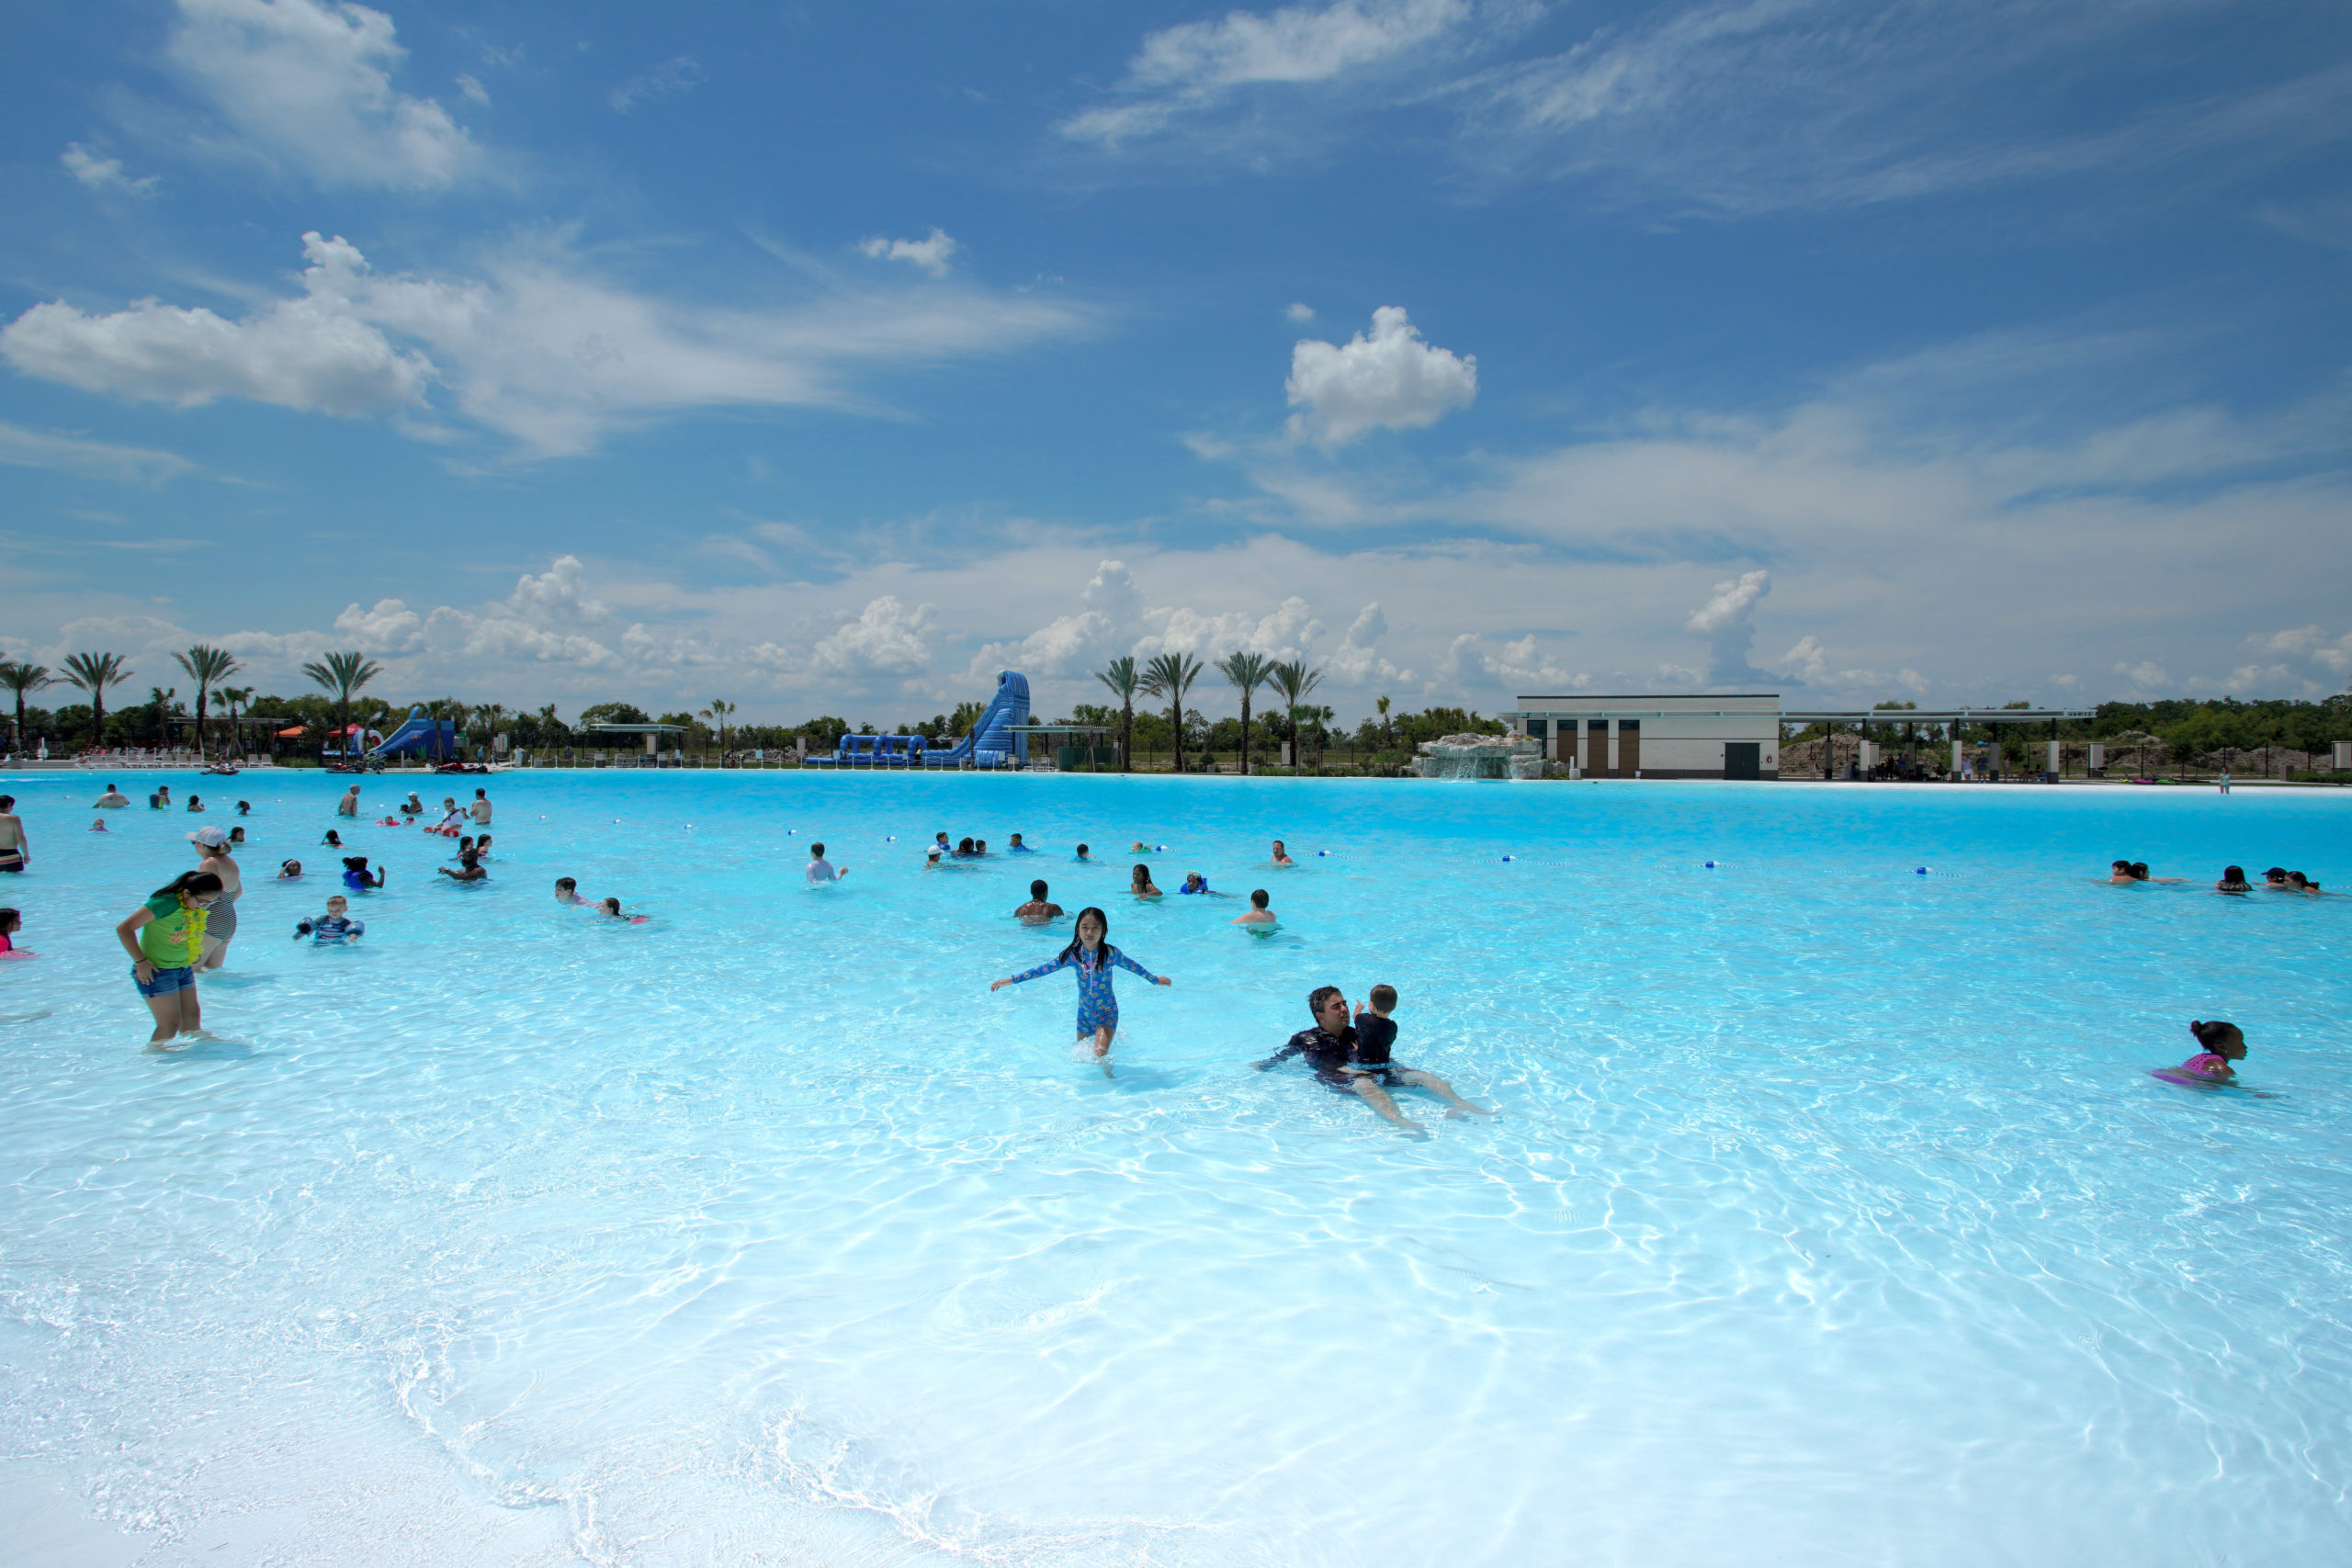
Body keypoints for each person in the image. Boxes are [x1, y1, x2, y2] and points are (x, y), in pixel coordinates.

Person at [991, 906, 1170, 1059]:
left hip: (1107, 1012)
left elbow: (1134, 967)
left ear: (1103, 930)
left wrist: (1155, 980)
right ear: (1077, 929)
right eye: (1085, 927)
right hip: (1084, 1016)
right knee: (1081, 1057)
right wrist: (1012, 980)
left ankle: (1111, 1081)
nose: (1089, 932)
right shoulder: (1073, 955)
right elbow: (1042, 970)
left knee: (1100, 1053)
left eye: (1095, 928)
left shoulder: (1111, 954)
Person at [1253, 986, 1424, 1133]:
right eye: (1336, 1006)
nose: (1344, 1009)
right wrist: (1261, 1066)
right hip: (1339, 1078)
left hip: (1368, 1073)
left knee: (1417, 1075)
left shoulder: (1357, 1033)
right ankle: (1401, 1121)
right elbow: (1280, 1058)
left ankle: (1451, 1102)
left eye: (1344, 1004)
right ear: (1320, 1016)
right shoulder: (1304, 1039)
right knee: (1364, 1084)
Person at [115, 869, 224, 1044]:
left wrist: (191, 953)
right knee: (169, 1025)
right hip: (156, 971)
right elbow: (124, 928)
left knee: (192, 1020)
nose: (203, 907)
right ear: (186, 892)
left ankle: (201, 1060)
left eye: (209, 904)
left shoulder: (193, 905)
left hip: (182, 968)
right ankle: (154, 1062)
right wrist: (141, 961)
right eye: (202, 902)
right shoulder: (165, 903)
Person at [1349, 985, 1492, 1116]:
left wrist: (1359, 1008)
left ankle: (1400, 1119)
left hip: (1366, 1068)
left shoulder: (1363, 1019)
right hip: (1386, 1066)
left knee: (1379, 1093)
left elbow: (1356, 1018)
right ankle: (1459, 1103)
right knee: (1421, 1079)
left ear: (1371, 1005)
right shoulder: (1392, 1027)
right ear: (1394, 1007)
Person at [190, 826, 242, 971]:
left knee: (190, 972)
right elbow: (238, 892)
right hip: (229, 921)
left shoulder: (209, 863)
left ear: (201, 845)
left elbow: (205, 898)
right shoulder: (231, 862)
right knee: (213, 972)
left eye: (194, 843)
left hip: (211, 922)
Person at [2175, 1020, 2246, 1082]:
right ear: (2221, 1046)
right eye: (2241, 1042)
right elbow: (2233, 1090)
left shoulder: (2197, 1058)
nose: (2245, 1046)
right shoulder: (2222, 1070)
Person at [294, 895, 364, 943]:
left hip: (337, 943)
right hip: (320, 942)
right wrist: (297, 937)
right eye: (331, 911)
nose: (334, 913)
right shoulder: (322, 919)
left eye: (337, 910)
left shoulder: (346, 923)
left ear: (345, 909)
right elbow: (310, 928)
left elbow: (351, 933)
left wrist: (353, 937)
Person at [0, 795, 27, 874]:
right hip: (11, 855)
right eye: (12, 806)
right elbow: (20, 838)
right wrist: (26, 854)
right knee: (16, 881)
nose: (12, 808)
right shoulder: (14, 818)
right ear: (8, 805)